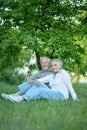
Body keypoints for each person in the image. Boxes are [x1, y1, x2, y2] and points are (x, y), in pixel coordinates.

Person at [1, 59, 78, 102]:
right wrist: (31, 79)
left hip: (61, 95)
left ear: (60, 66)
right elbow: (39, 80)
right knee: (35, 82)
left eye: (56, 65)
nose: (53, 67)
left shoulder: (63, 73)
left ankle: (21, 98)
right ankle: (15, 95)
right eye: (52, 65)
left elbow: (69, 86)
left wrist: (75, 98)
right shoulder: (51, 75)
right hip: (51, 92)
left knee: (40, 90)